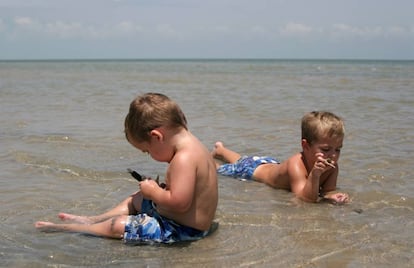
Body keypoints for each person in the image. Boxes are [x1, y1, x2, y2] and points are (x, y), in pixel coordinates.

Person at [35, 93, 218, 244]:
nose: (149, 155)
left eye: (146, 151)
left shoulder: (183, 158)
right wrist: (156, 192)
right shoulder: (196, 146)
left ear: (156, 137)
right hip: (185, 220)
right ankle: (94, 219)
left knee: (118, 225)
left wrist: (154, 192)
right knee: (137, 199)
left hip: (182, 231)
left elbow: (180, 203)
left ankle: (74, 228)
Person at [212, 111, 349, 204]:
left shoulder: (332, 167)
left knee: (242, 158)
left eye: (338, 149)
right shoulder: (296, 164)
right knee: (219, 168)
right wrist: (315, 175)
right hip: (250, 170)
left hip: (269, 163)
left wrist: (332, 196)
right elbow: (305, 199)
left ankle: (221, 150)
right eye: (325, 149)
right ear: (305, 146)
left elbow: (327, 191)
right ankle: (209, 160)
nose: (333, 155)